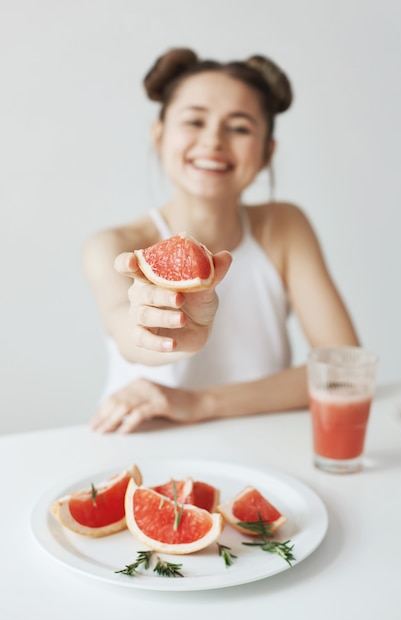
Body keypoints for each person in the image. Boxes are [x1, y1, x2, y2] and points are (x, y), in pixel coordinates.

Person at [83, 47, 359, 434]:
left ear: (267, 153)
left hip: (259, 440)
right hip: (144, 440)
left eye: (240, 127)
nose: (213, 140)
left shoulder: (284, 227)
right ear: (159, 135)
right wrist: (165, 331)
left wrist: (199, 402)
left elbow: (345, 367)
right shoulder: (113, 245)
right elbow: (129, 336)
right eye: (194, 121)